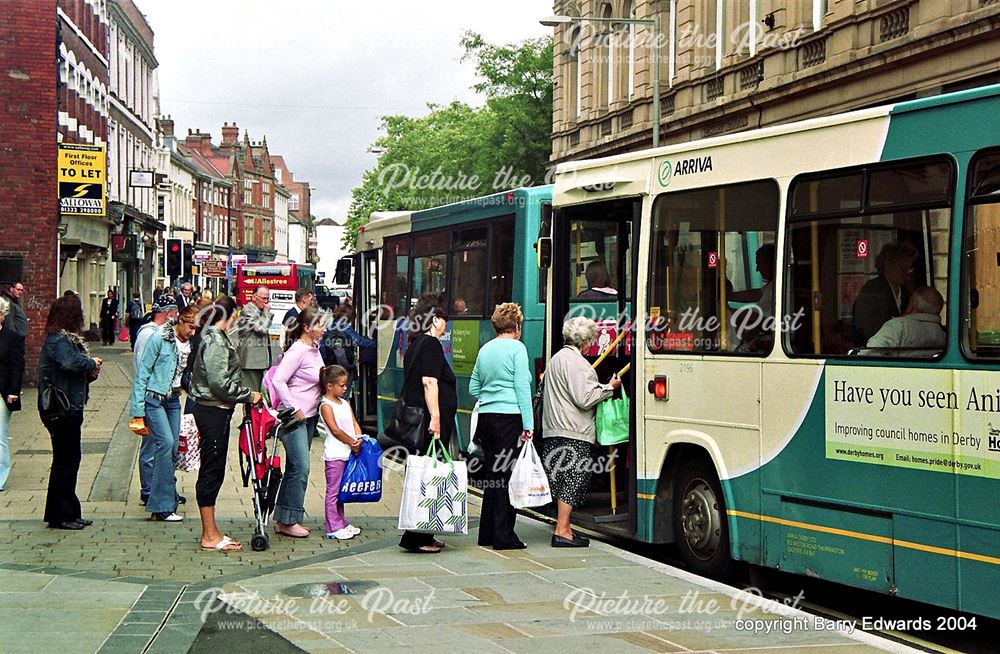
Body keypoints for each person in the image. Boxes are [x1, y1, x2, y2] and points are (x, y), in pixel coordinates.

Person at [189, 296, 262, 552]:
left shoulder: (213, 337)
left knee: (215, 468)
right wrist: (248, 394)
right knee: (212, 470)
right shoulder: (216, 341)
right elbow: (219, 383)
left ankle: (212, 530)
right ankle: (209, 535)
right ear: (230, 315)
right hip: (213, 413)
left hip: (215, 412)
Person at [541, 316, 620, 548]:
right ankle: (562, 530)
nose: (592, 345)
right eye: (591, 341)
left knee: (562, 479)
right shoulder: (577, 363)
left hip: (554, 428)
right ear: (583, 341)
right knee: (574, 481)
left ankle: (563, 526)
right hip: (573, 430)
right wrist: (609, 388)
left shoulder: (556, 359)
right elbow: (584, 398)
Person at [469, 303, 534, 550]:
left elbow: (473, 388)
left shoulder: (485, 349)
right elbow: (521, 388)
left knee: (492, 476)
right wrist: (528, 424)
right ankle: (504, 536)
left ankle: (487, 533)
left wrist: (490, 391)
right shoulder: (517, 349)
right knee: (507, 477)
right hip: (509, 418)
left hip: (487, 418)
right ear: (516, 326)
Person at [38, 295, 103, 530]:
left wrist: (89, 374)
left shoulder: (63, 340)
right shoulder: (58, 341)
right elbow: (70, 363)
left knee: (70, 460)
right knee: (65, 461)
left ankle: (70, 511)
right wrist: (91, 363)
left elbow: (71, 372)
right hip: (60, 409)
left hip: (68, 406)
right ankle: (60, 515)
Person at [398, 293, 455, 553]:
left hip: (417, 420)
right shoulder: (430, 345)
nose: (446, 325)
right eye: (444, 319)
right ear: (434, 320)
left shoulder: (415, 344)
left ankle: (424, 533)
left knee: (423, 474)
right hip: (427, 421)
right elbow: (429, 382)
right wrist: (436, 418)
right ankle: (417, 537)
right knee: (427, 475)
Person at [129, 306, 197, 521]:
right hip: (154, 398)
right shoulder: (160, 338)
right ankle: (161, 506)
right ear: (181, 321)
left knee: (174, 447)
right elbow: (143, 373)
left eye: (196, 328)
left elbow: (184, 373)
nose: (193, 332)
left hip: (174, 399)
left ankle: (165, 498)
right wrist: (138, 411)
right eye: (190, 327)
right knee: (165, 444)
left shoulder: (191, 343)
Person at [270, 307, 326, 538]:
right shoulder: (299, 350)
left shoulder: (314, 349)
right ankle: (290, 520)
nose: (325, 329)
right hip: (295, 419)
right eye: (321, 325)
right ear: (307, 328)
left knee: (295, 467)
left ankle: (285, 518)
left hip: (310, 416)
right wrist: (294, 407)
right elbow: (278, 380)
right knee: (301, 467)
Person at [133, 296, 179, 505]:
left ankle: (164, 488)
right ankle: (149, 489)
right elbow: (144, 370)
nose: (177, 316)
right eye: (175, 312)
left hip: (165, 396)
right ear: (168, 313)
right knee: (152, 445)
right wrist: (140, 404)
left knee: (164, 445)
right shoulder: (149, 335)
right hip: (152, 396)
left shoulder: (162, 335)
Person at [317, 364, 363, 540]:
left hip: (349, 453)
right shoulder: (326, 405)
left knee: (342, 492)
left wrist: (359, 438)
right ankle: (332, 526)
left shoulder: (344, 403)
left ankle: (341, 521)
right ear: (330, 386)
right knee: (333, 491)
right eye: (341, 385)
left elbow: (353, 422)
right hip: (335, 454)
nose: (345, 388)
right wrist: (352, 442)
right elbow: (335, 430)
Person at [852, 241, 918, 346]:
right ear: (888, 265)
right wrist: (903, 320)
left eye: (909, 269)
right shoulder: (872, 291)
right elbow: (869, 330)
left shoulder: (906, 293)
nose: (907, 273)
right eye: (903, 268)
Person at [865, 286, 945, 356]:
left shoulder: (898, 326)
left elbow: (869, 355)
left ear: (914, 304)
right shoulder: (942, 335)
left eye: (909, 300)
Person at [320, 302, 375, 400]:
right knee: (343, 396)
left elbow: (324, 350)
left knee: (333, 395)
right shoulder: (345, 327)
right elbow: (359, 341)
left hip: (332, 367)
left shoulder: (330, 327)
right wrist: (378, 344)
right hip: (345, 368)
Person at [0, 297, 26, 491]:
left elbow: (17, 366)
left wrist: (13, 392)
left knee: (0, 435)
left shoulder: (13, 338)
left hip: (3, 392)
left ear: (2, 315)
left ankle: (0, 476)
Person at [237, 285, 274, 392]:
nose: (266, 302)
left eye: (268, 298)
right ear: (254, 297)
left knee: (258, 392)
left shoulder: (258, 310)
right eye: (263, 298)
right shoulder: (248, 310)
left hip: (258, 360)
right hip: (251, 360)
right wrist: (267, 313)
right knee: (252, 393)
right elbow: (262, 329)